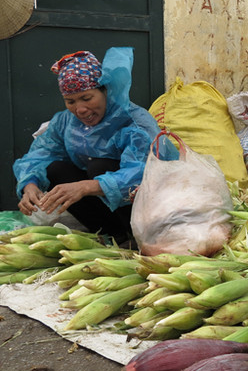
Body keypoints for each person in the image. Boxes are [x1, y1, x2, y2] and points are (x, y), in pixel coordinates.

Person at [14, 47, 174, 246]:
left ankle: (137, 234)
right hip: (105, 199)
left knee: (98, 167)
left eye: (87, 98)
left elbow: (145, 171)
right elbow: (41, 153)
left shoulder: (133, 121)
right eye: (70, 101)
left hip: (153, 203)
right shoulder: (64, 122)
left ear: (105, 90)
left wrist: (86, 187)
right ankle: (114, 234)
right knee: (54, 169)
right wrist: (30, 184)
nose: (80, 109)